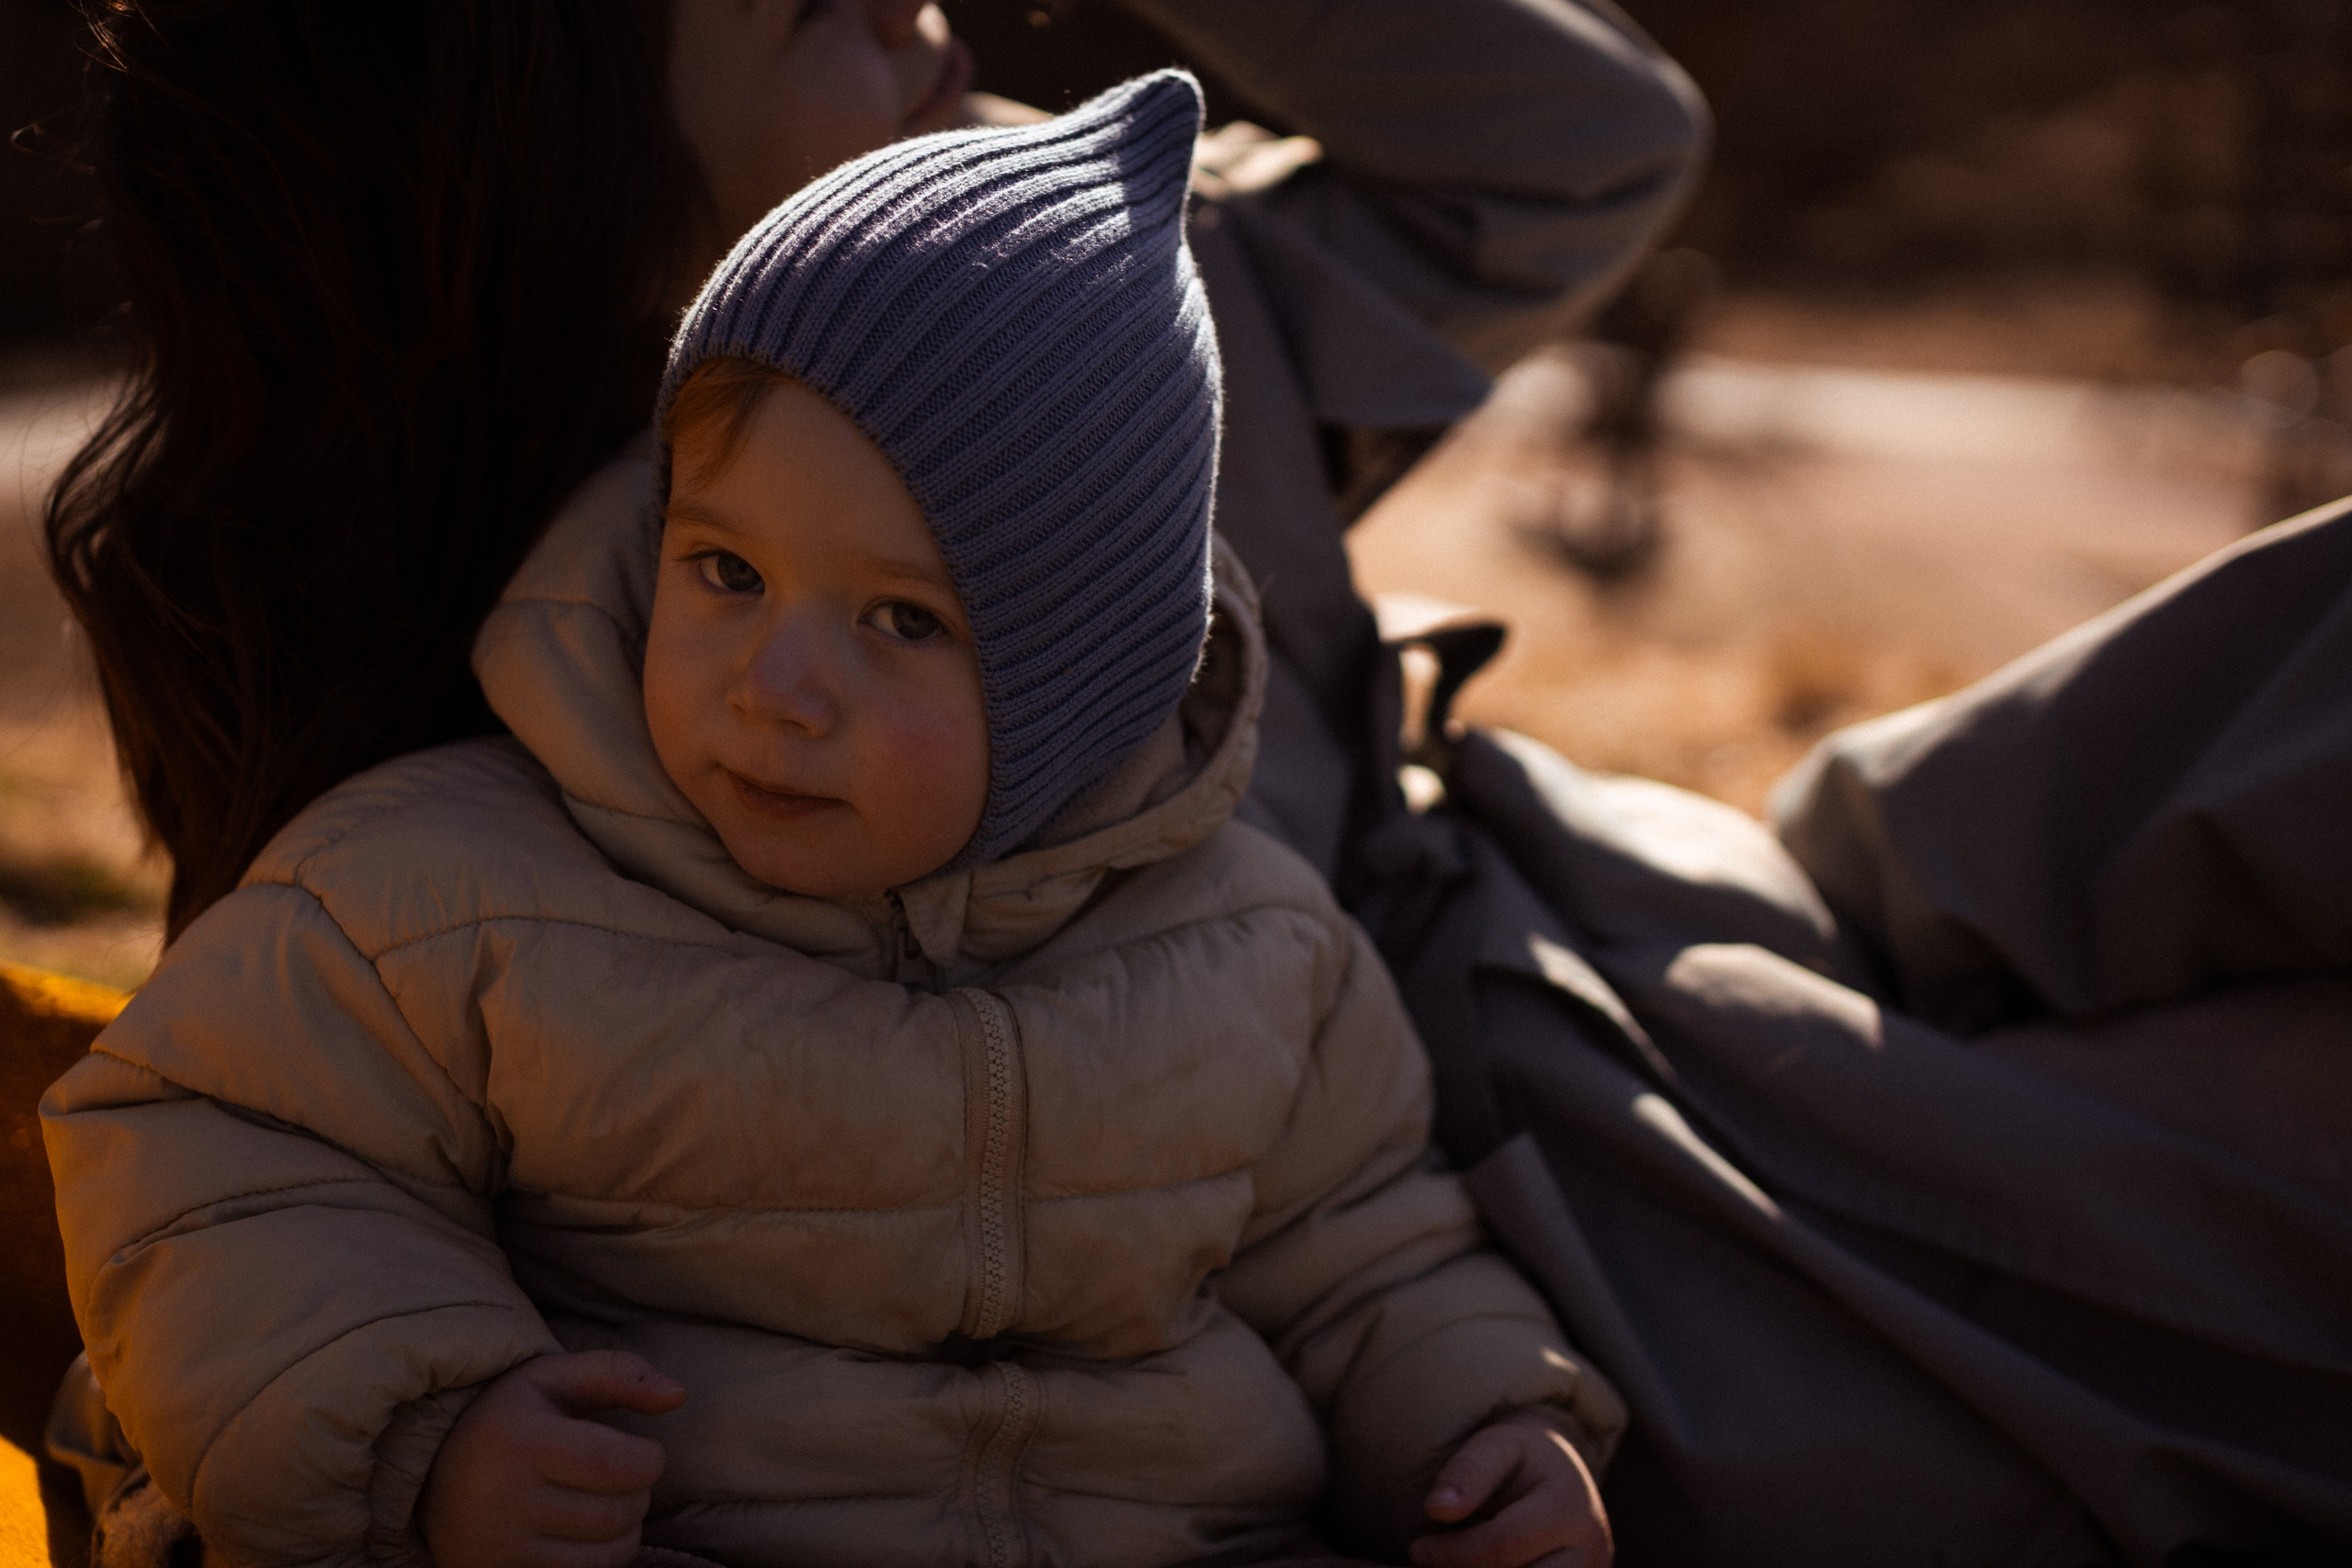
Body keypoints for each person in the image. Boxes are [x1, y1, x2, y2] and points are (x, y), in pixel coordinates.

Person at [45, 72, 1641, 1568]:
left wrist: (1487, 1417)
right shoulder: (443, 890)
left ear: (1080, 691)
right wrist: (432, 1433)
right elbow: (221, 1158)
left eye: (902, 623)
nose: (776, 686)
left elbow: (1371, 1253)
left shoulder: (1257, 945)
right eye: (726, 572)